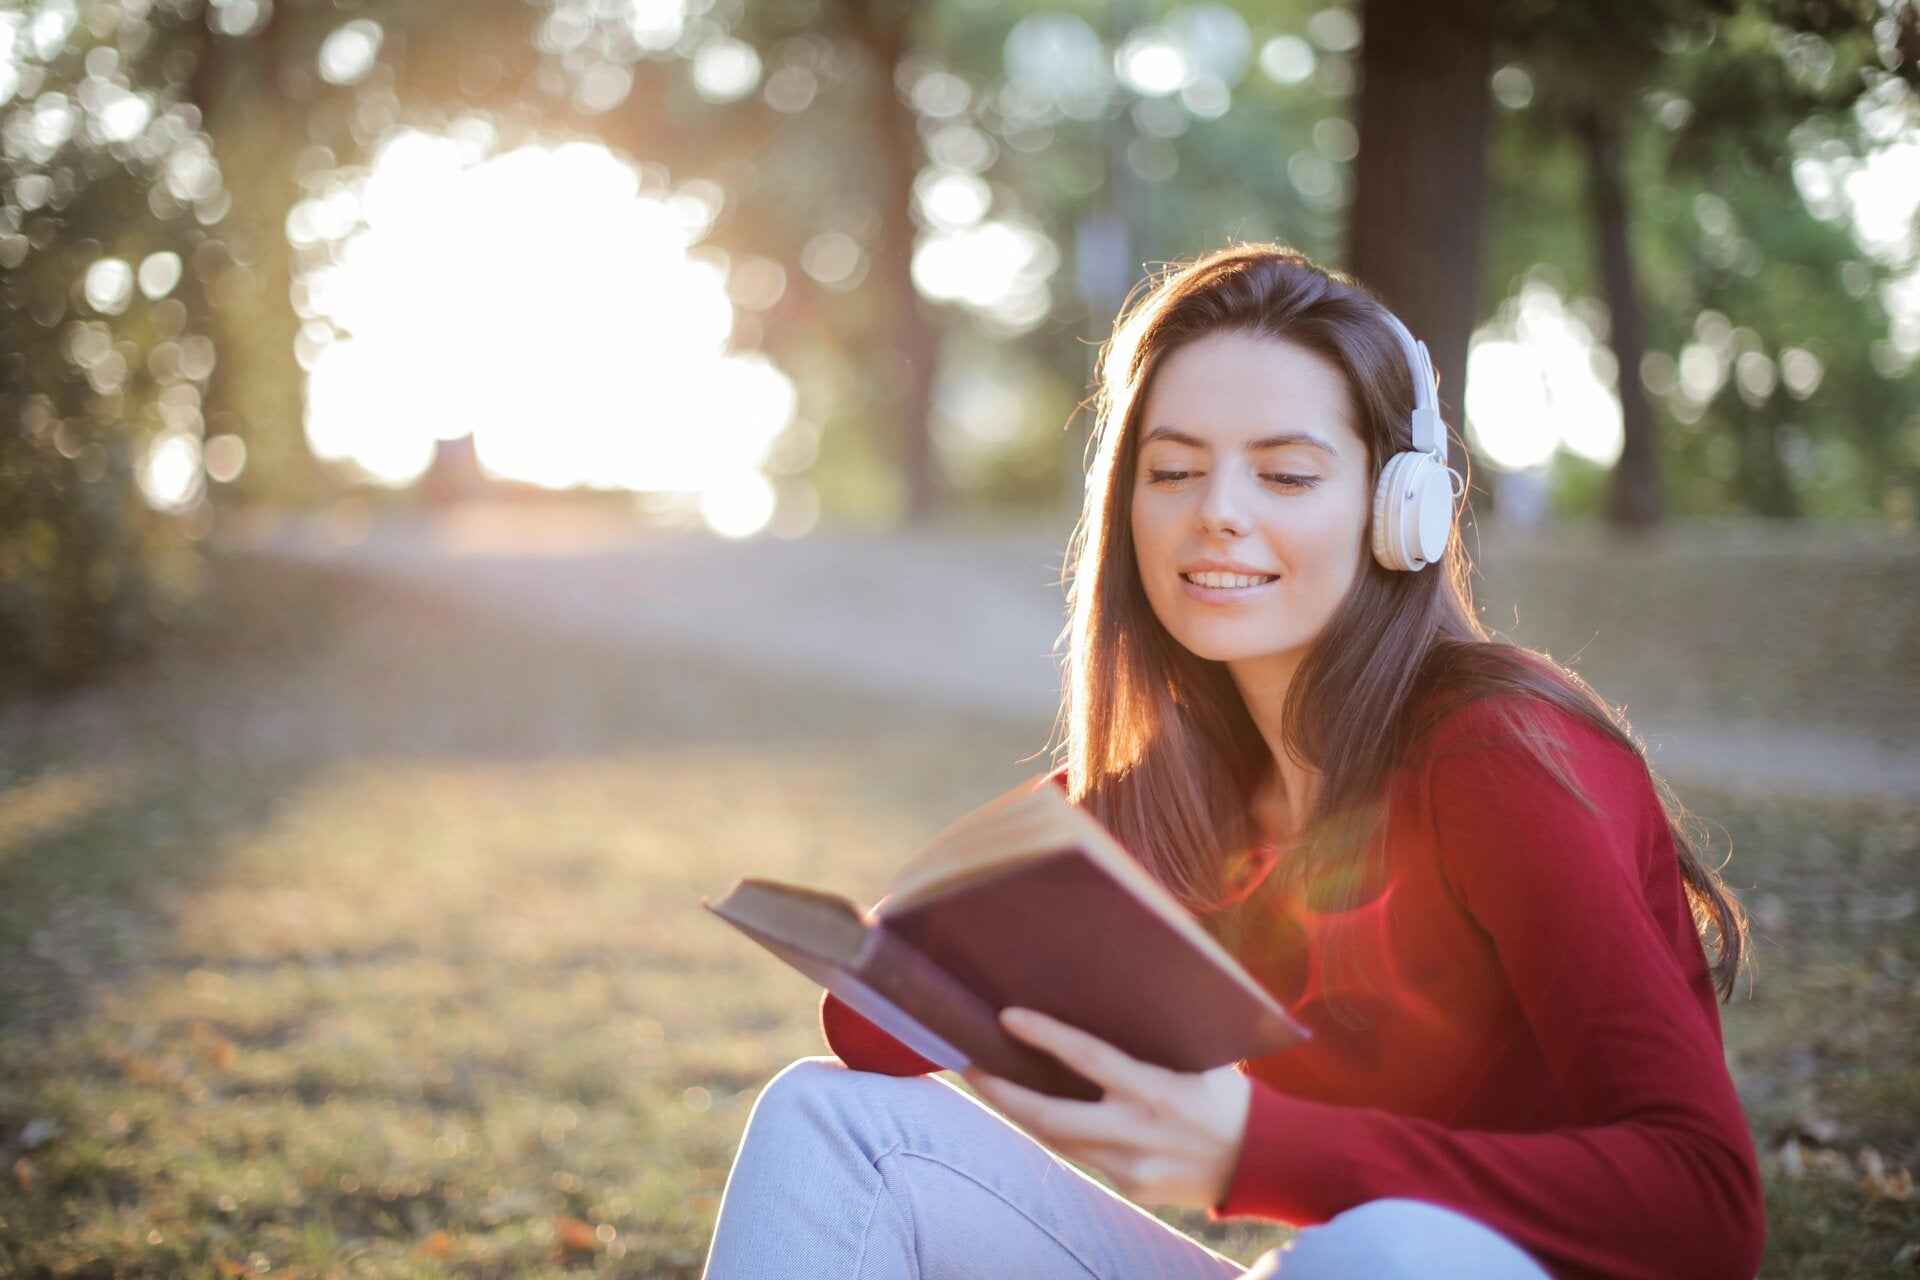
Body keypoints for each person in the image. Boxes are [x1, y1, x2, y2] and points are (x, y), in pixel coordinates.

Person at [700, 244, 1765, 1280]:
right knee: (828, 1120)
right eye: (1173, 469)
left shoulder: (1501, 754)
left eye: (1287, 472)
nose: (1218, 510)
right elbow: (868, 1032)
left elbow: (1707, 1205)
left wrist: (1254, 1146)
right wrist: (1067, 831)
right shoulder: (1185, 793)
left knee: (1381, 1249)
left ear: (1402, 511)